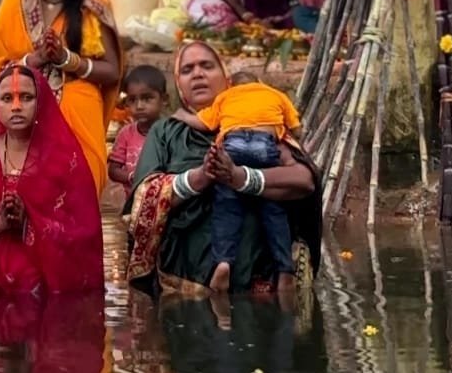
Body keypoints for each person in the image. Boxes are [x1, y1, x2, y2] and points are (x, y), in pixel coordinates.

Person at [124, 41, 321, 295]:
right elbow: (143, 200)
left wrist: (242, 178)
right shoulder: (166, 131)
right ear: (178, 84)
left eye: (207, 66)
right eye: (187, 70)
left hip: (261, 289)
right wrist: (201, 177)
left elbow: (304, 180)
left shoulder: (258, 121)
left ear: (226, 77)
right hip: (186, 290)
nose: (197, 74)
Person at [0, 0, 123, 194]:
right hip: (24, 109)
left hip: (79, 107)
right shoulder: (13, 10)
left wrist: (67, 60)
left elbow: (112, 71)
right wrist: (31, 61)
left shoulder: (92, 4)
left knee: (78, 199)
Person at [0, 63, 103, 294]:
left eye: (26, 97)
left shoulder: (64, 161)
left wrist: (28, 225)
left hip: (49, 297)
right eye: (7, 98)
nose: (16, 107)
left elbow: (85, 235)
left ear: (42, 104)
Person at [172, 70, 301, 293]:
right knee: (273, 208)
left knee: (227, 207)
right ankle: (285, 269)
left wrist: (180, 115)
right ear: (259, 82)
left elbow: (205, 123)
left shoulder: (225, 96)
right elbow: (297, 127)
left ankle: (223, 262)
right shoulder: (275, 94)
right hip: (264, 145)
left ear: (231, 85)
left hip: (234, 144)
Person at [108, 65, 169, 201]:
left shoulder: (170, 132)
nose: (139, 106)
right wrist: (132, 177)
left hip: (163, 201)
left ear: (164, 100)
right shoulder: (126, 133)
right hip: (133, 203)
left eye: (147, 99)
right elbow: (113, 170)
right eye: (133, 100)